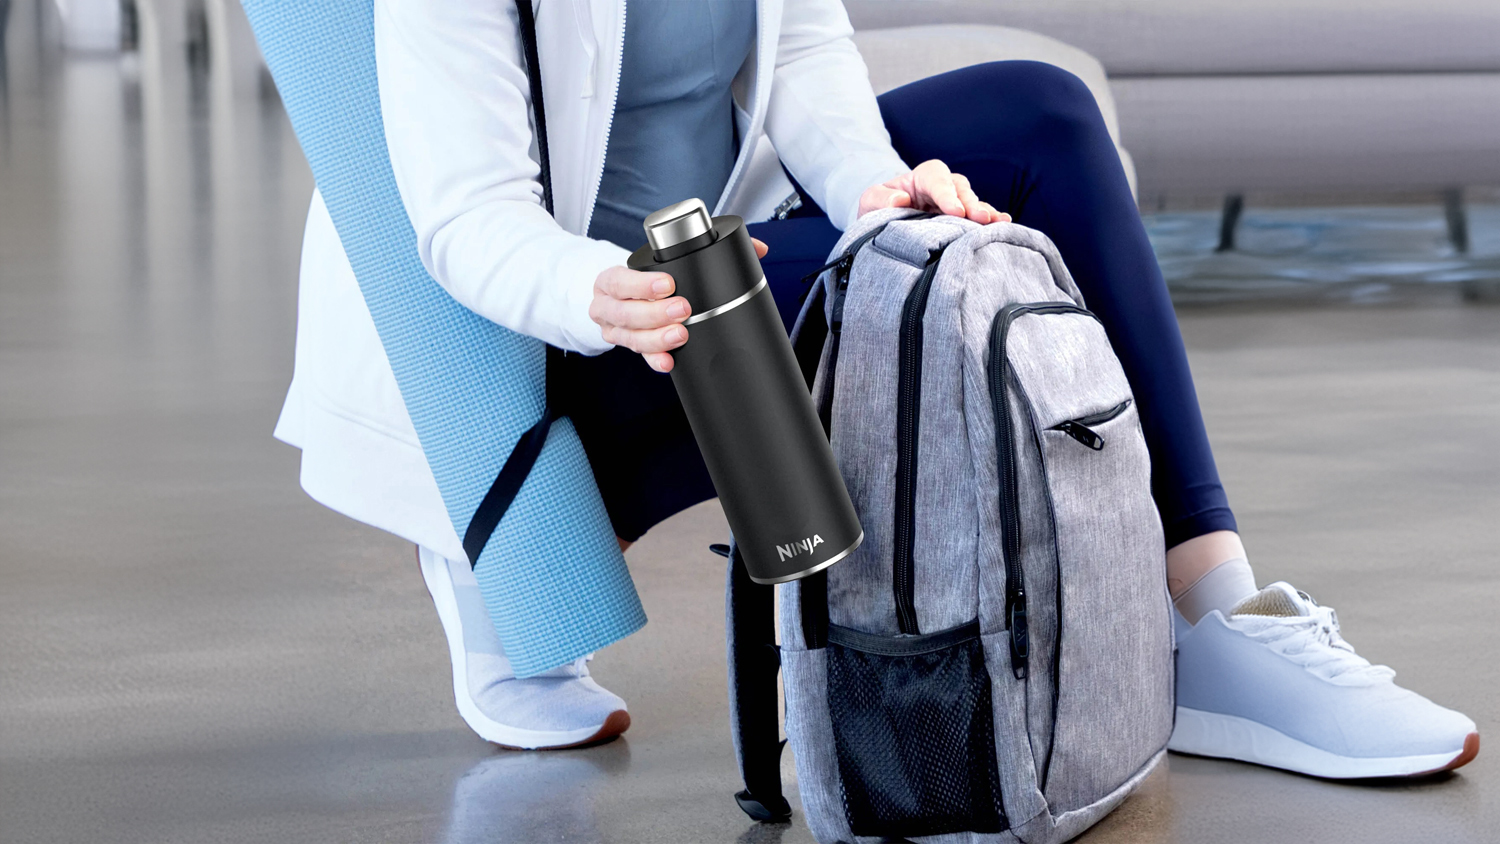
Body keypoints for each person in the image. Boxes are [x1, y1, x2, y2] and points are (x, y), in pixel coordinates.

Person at [274, 0, 1478, 775]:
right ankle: (500, 545)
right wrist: (599, 292)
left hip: (728, 242)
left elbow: (805, 54)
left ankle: (1214, 614)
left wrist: (877, 188)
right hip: (576, 327)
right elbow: (468, 219)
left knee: (1041, 118)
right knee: (814, 289)